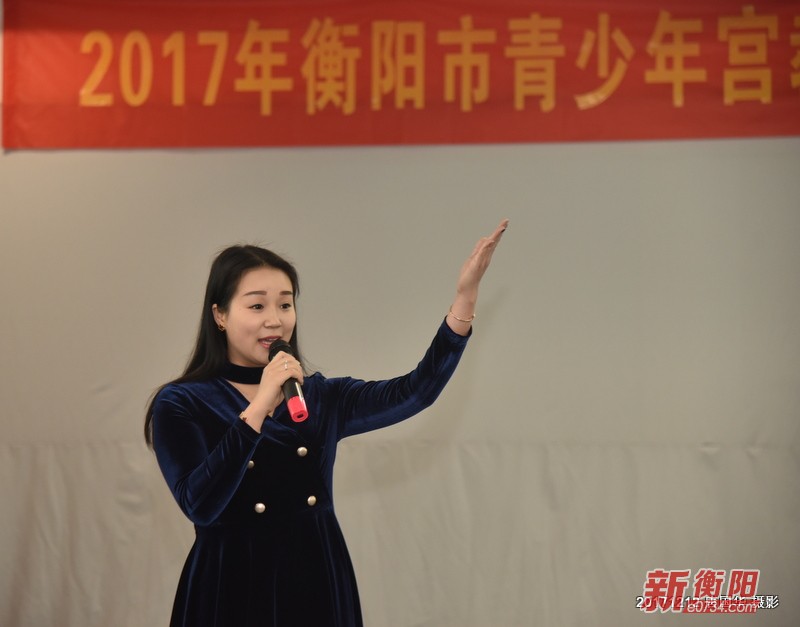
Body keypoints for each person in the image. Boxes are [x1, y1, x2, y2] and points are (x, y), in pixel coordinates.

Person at [144, 219, 508, 627]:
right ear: (220, 315)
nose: (275, 320)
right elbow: (199, 505)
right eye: (257, 306)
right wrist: (259, 407)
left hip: (314, 578)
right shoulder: (181, 403)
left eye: (285, 304)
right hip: (231, 583)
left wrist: (464, 299)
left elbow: (415, 392)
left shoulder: (319, 396)